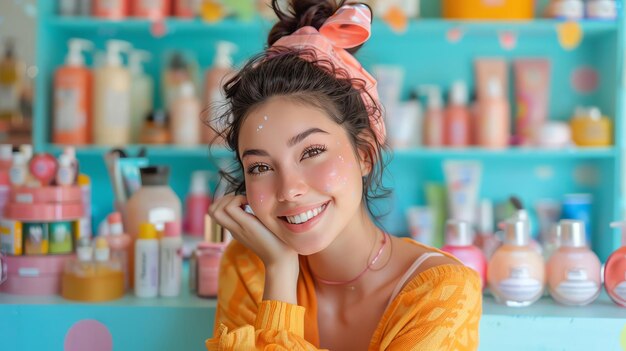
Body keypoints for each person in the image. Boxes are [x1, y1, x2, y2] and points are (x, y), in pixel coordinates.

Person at [205, 1, 482, 350]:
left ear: (364, 155)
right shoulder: (251, 268)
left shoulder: (443, 291)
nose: (289, 190)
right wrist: (280, 272)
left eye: (311, 152)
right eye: (260, 167)